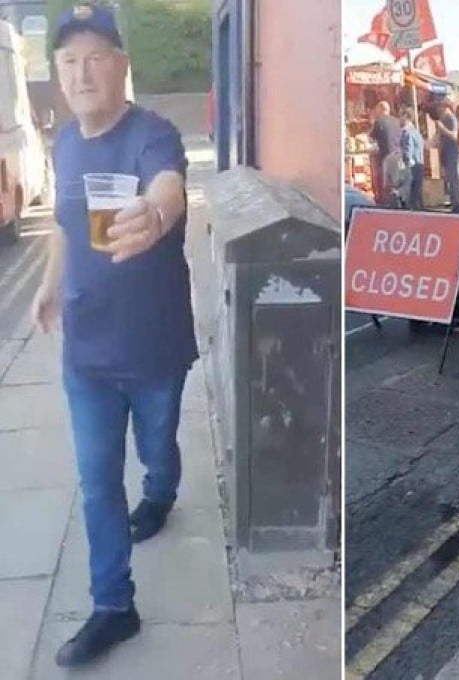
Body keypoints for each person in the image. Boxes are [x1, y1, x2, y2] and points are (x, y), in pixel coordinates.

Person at [30, 3, 195, 666]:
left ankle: (161, 492)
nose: (81, 71)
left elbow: (170, 183)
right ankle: (112, 606)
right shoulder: (64, 142)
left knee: (156, 444)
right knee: (97, 482)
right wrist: (47, 284)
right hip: (87, 351)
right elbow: (69, 224)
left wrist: (156, 212)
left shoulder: (152, 132)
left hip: (154, 346)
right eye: (68, 61)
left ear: (122, 64)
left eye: (95, 55)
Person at [431, 99, 459, 211]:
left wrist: (442, 128)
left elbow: (454, 135)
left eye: (440, 106)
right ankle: (453, 200)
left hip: (451, 151)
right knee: (449, 177)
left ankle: (457, 201)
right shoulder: (443, 118)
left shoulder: (451, 118)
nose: (438, 109)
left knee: (453, 177)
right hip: (445, 151)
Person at [369, 100, 401, 203]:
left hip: (385, 155)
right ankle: (397, 201)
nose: (376, 111)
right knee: (395, 181)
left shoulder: (379, 121)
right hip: (397, 154)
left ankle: (385, 203)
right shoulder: (397, 121)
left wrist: (372, 123)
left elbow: (371, 138)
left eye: (377, 109)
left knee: (385, 182)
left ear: (381, 109)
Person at [399, 106, 425, 210]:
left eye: (401, 116)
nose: (399, 119)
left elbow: (407, 150)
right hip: (419, 163)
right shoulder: (416, 132)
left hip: (411, 165)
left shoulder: (407, 133)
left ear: (406, 116)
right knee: (417, 192)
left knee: (410, 193)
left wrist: (404, 162)